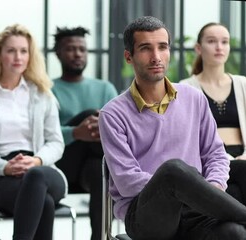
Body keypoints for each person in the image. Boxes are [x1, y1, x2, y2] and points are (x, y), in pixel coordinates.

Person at [99, 16, 246, 239]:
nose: (156, 57)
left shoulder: (193, 98)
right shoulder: (112, 114)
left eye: (162, 47)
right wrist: (188, 189)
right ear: (129, 56)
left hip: (195, 211)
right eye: (146, 48)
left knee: (234, 233)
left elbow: (216, 154)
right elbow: (128, 181)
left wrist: (212, 186)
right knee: (172, 171)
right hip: (146, 216)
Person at [0, 24, 67, 240]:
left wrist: (37, 161)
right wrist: (5, 167)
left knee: (36, 178)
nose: (18, 57)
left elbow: (56, 143)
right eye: (11, 50)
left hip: (42, 168)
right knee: (45, 203)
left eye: (23, 51)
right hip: (0, 175)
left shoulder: (43, 95)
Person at [51, 26, 118, 240]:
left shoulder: (104, 88)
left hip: (94, 169)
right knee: (92, 114)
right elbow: (41, 137)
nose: (78, 54)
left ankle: (99, 237)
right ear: (58, 53)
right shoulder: (48, 90)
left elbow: (120, 129)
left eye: (82, 49)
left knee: (100, 171)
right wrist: (76, 133)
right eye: (71, 49)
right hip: (63, 165)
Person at [180, 23, 246, 205]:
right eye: (212, 41)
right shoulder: (185, 88)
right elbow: (187, 138)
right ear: (198, 48)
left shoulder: (243, 84)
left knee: (234, 192)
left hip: (243, 157)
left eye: (224, 42)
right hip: (209, 163)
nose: (219, 47)